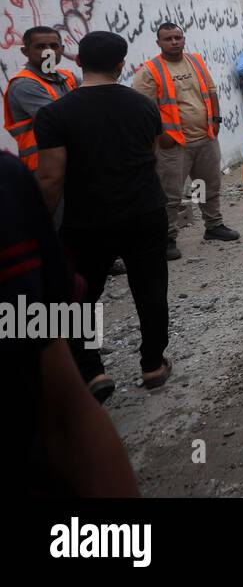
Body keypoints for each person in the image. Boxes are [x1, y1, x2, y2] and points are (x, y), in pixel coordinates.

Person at [34, 30, 173, 394]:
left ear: (77, 62)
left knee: (80, 294)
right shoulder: (144, 105)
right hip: (145, 211)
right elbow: (151, 155)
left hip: (86, 220)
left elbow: (50, 178)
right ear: (120, 65)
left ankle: (93, 371)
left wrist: (42, 227)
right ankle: (152, 365)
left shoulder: (54, 114)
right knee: (151, 289)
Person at [1, 151, 139, 495]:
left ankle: (92, 367)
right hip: (72, 208)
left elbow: (66, 408)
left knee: (77, 299)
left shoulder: (8, 188)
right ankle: (95, 367)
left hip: (69, 215)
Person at [132, 22, 239, 260]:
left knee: (206, 185)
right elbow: (142, 110)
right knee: (170, 195)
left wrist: (217, 120)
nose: (174, 42)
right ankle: (167, 238)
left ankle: (213, 226)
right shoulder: (150, 71)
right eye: (168, 39)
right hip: (173, 144)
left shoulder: (195, 61)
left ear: (183, 39)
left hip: (205, 137)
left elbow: (211, 91)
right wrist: (161, 136)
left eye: (177, 38)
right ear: (158, 43)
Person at [3, 25, 79, 173]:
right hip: (44, 168)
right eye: (41, 47)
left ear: (62, 50)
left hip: (71, 163)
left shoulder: (69, 76)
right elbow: (59, 122)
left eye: (54, 46)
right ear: (25, 51)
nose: (48, 51)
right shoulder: (24, 84)